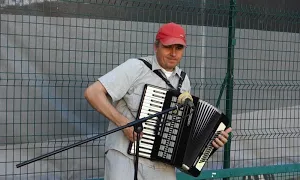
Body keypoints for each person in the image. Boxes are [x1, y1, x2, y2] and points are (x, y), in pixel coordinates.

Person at [84, 22, 232, 180]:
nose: (173, 53)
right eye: (168, 47)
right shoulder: (136, 68)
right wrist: (124, 124)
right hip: (125, 157)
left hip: (162, 165)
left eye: (179, 48)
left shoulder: (184, 81)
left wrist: (209, 142)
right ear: (156, 46)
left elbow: (183, 130)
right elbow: (93, 93)